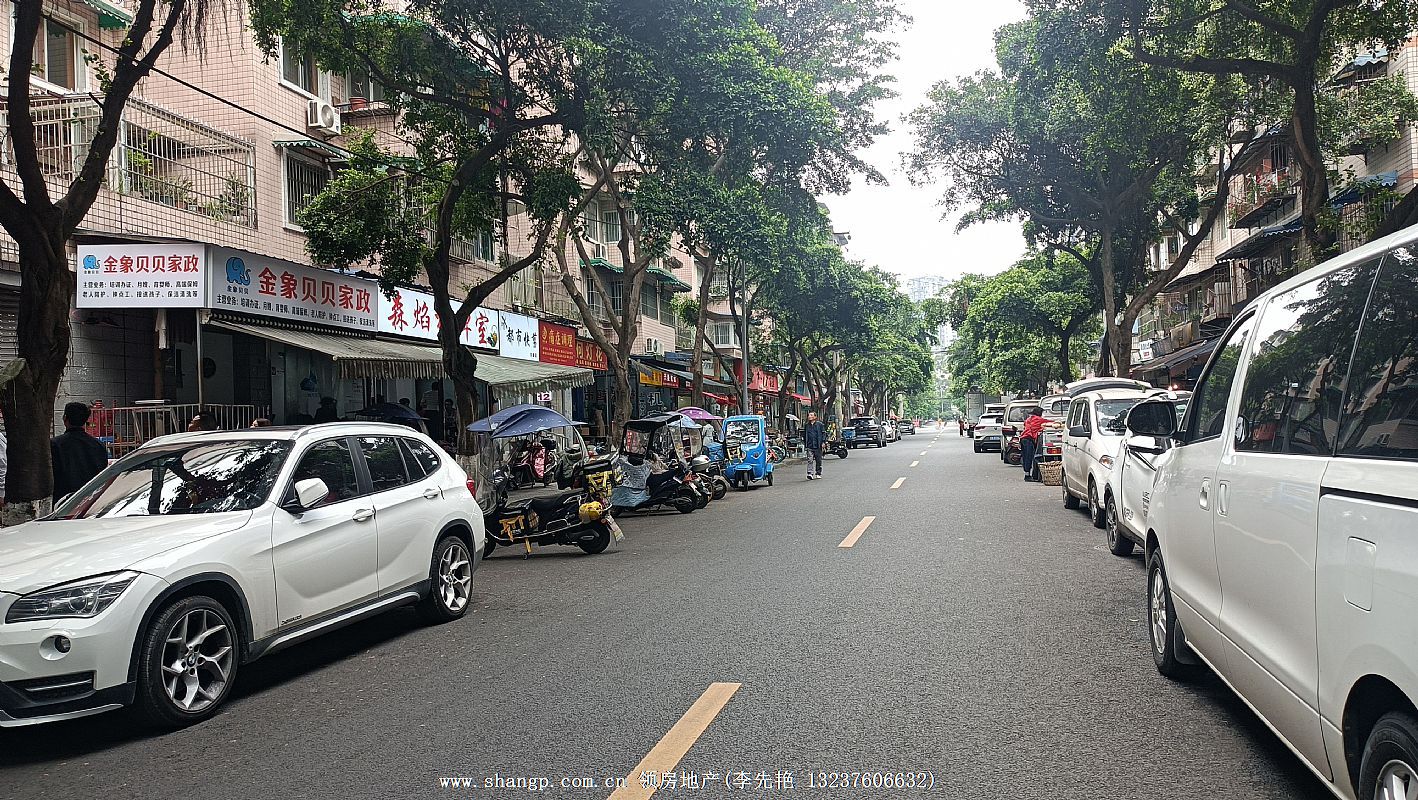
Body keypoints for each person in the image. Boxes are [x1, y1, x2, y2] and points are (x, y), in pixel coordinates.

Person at [52, 402, 109, 502]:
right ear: (85, 420)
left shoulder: (55, 444)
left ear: (65, 418)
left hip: (63, 501)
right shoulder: (98, 445)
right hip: (91, 499)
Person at [1020, 406, 1046, 482]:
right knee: (1029, 457)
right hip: (1028, 439)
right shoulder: (1038, 419)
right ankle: (1027, 476)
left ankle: (1027, 474)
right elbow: (1049, 422)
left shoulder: (1028, 419)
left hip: (1023, 439)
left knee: (1025, 457)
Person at [803, 411, 826, 480]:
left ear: (815, 417)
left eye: (811, 415)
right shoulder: (807, 425)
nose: (809, 416)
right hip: (809, 445)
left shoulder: (820, 425)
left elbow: (823, 433)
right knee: (810, 460)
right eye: (809, 415)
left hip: (818, 445)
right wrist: (805, 443)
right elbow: (804, 434)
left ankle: (818, 473)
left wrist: (823, 442)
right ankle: (810, 473)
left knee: (818, 460)